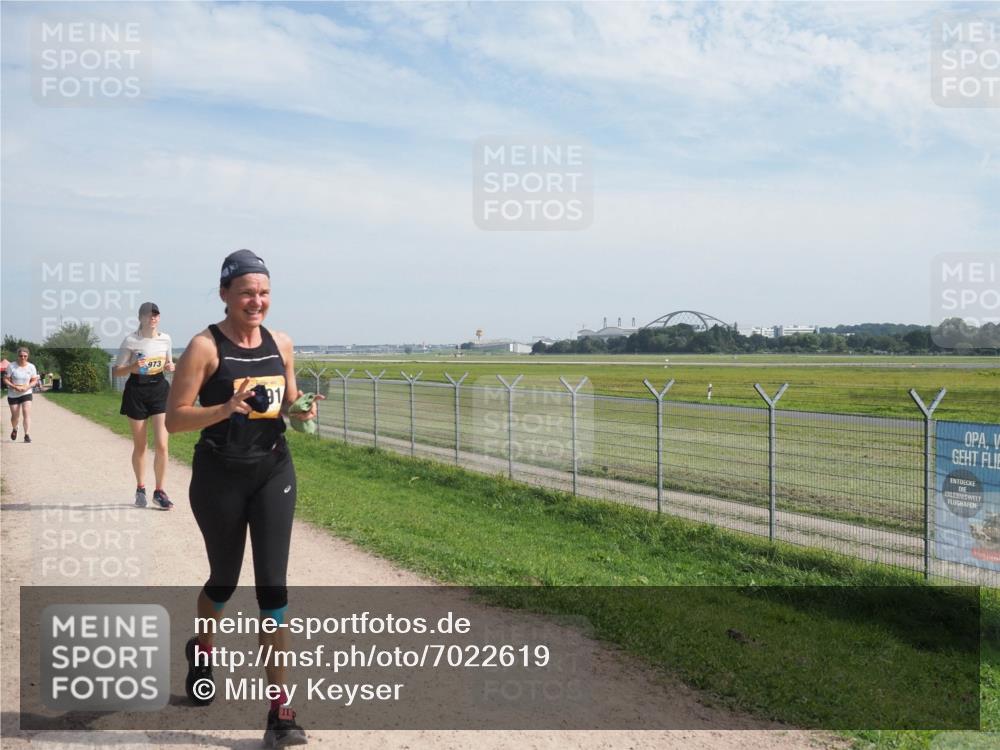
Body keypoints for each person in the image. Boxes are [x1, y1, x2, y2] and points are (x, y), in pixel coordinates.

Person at [165, 249, 319, 748]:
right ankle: (203, 649)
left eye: (265, 293)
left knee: (273, 589)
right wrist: (224, 407)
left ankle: (281, 713)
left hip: (273, 469)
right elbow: (176, 419)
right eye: (248, 292)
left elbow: (288, 408)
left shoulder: (282, 343)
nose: (257, 301)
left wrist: (301, 411)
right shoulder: (203, 347)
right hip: (219, 477)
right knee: (224, 583)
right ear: (226, 293)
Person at [113, 302, 175, 509]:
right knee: (141, 446)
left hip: (159, 390)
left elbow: (168, 363)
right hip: (136, 392)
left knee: (162, 444)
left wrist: (170, 365)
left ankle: (160, 491)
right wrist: (132, 366)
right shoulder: (131, 340)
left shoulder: (166, 339)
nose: (153, 318)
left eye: (156, 314)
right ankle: (140, 487)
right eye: (149, 315)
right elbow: (116, 371)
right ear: (140, 318)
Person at [4, 347, 38, 443]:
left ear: (28, 356)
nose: (23, 357)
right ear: (18, 356)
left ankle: (26, 435)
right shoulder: (11, 366)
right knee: (15, 416)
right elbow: (6, 379)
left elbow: (34, 380)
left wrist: (27, 387)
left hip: (26, 392)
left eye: (25, 356)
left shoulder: (31, 367)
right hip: (13, 394)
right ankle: (15, 428)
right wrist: (14, 386)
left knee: (26, 412)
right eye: (21, 356)